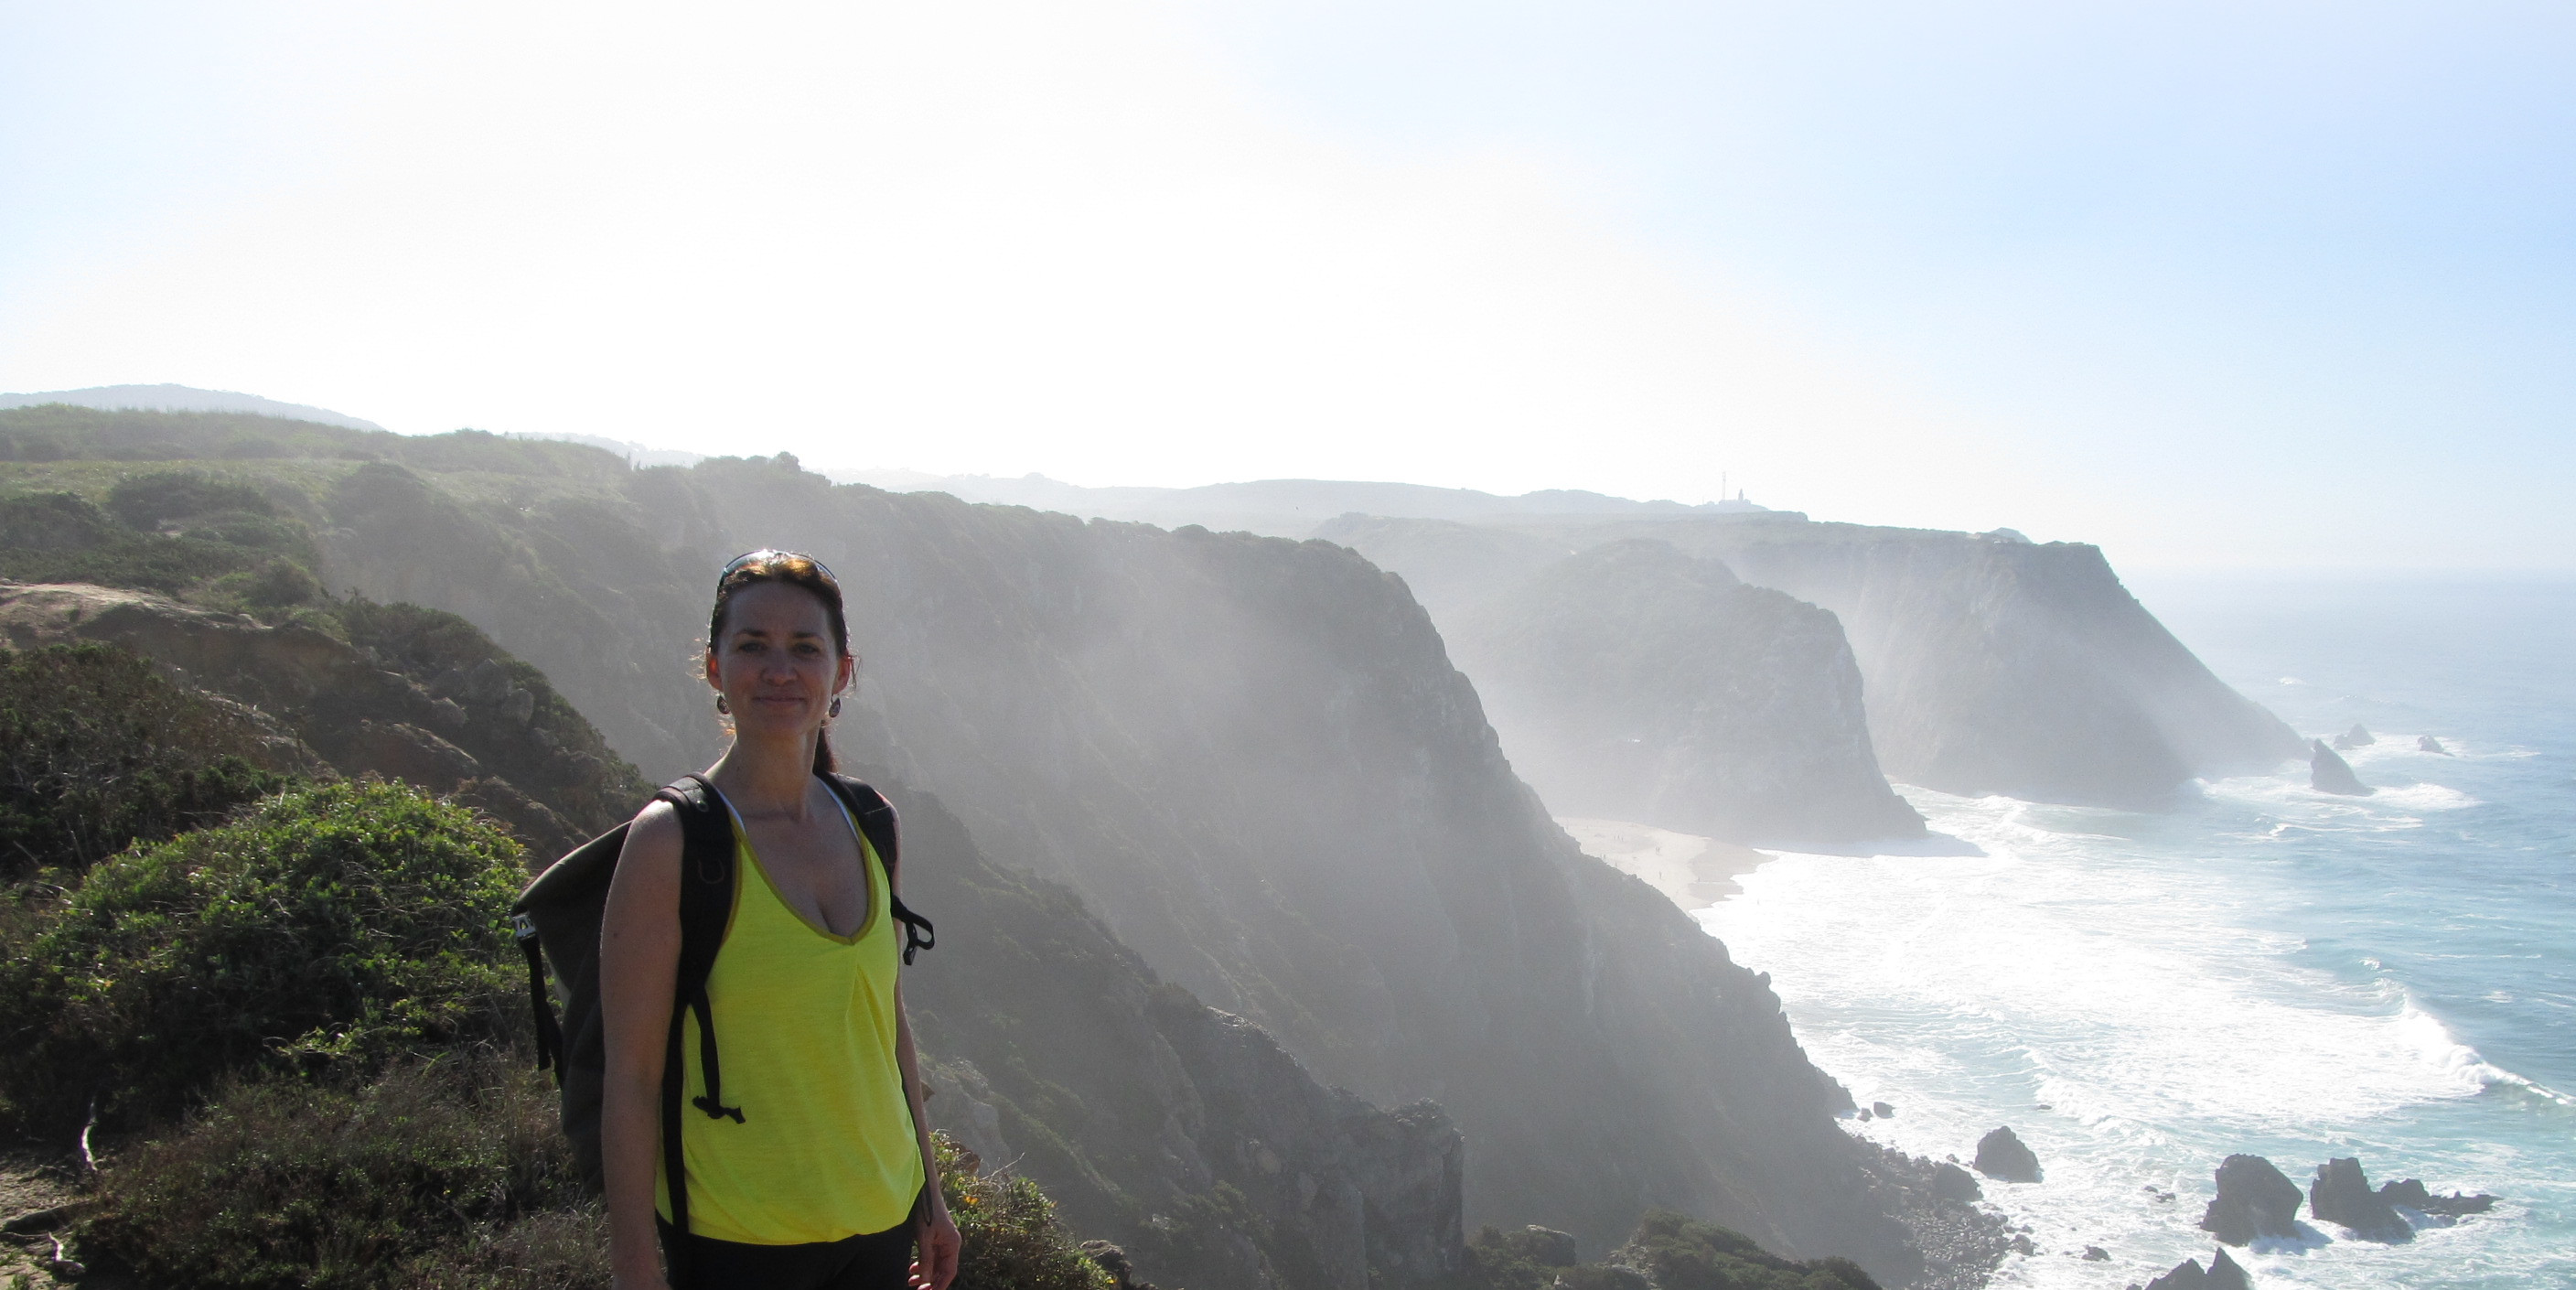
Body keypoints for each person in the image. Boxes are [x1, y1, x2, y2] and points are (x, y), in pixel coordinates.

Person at [599, 550, 961, 1290]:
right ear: (714, 670)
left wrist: (931, 1191)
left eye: (805, 649)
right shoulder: (672, 843)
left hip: (882, 1216)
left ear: (842, 674)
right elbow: (631, 1076)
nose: (779, 669)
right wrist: (635, 1259)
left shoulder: (869, 822)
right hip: (739, 1233)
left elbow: (886, 1021)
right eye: (751, 646)